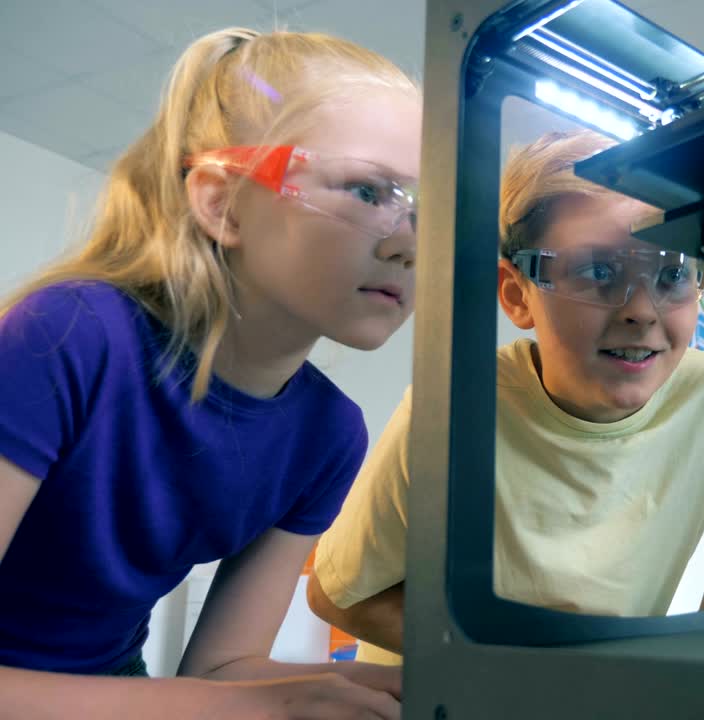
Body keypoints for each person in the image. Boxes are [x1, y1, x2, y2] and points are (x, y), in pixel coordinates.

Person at [0, 26, 421, 718]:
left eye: (427, 208)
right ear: (224, 204)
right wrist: (271, 707)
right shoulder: (68, 335)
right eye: (368, 191)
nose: (410, 243)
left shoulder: (329, 432)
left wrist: (354, 688)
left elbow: (222, 665)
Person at [307, 130, 704, 665]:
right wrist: (542, 676)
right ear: (515, 294)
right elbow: (338, 593)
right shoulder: (456, 411)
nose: (642, 310)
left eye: (672, 275)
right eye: (598, 271)